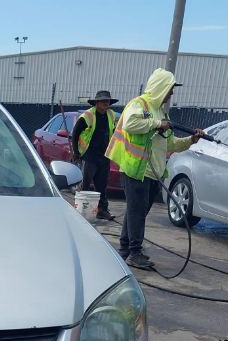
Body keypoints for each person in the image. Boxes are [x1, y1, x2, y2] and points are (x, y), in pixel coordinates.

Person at [105, 69, 204, 269]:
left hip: (153, 173)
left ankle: (125, 250)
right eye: (170, 89)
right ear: (160, 87)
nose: (172, 93)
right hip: (136, 171)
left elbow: (170, 144)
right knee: (136, 213)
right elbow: (130, 124)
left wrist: (191, 140)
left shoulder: (161, 112)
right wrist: (157, 123)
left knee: (137, 212)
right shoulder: (139, 104)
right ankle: (135, 253)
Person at [71, 90, 118, 221]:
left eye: (107, 101)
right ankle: (81, 210)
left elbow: (114, 131)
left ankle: (102, 210)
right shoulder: (87, 116)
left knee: (102, 185)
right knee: (85, 184)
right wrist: (76, 152)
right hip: (89, 154)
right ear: (96, 103)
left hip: (104, 155)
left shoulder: (111, 115)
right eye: (103, 101)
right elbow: (75, 133)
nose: (106, 104)